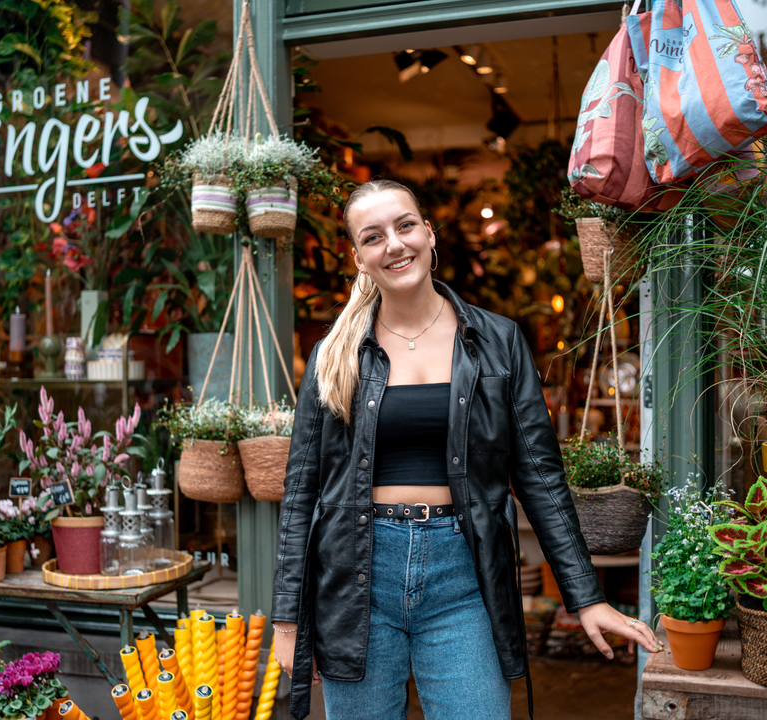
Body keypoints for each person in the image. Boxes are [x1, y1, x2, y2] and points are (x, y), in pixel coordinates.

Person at [270, 179, 662, 720]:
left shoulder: (498, 341)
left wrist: (586, 596)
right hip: (356, 578)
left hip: (464, 576)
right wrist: (287, 621)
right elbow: (300, 494)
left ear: (429, 234)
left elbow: (540, 477)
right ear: (358, 258)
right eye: (373, 237)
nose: (395, 244)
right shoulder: (333, 354)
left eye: (405, 226)